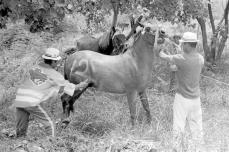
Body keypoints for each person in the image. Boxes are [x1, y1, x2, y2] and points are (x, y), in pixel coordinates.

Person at [11, 48, 89, 138]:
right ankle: (51, 146)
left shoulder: (35, 68)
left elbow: (49, 85)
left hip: (20, 99)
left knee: (21, 127)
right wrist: (79, 86)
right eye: (57, 61)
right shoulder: (53, 74)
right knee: (50, 125)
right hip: (30, 101)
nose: (58, 63)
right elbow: (66, 86)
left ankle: (20, 142)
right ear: (54, 62)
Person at [159, 32, 205, 151]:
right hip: (196, 100)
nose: (182, 46)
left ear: (188, 45)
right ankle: (198, 148)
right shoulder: (200, 59)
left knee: (178, 125)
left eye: (183, 44)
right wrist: (176, 66)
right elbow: (179, 68)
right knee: (197, 127)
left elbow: (162, 56)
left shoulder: (181, 58)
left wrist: (159, 47)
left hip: (182, 99)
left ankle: (177, 149)